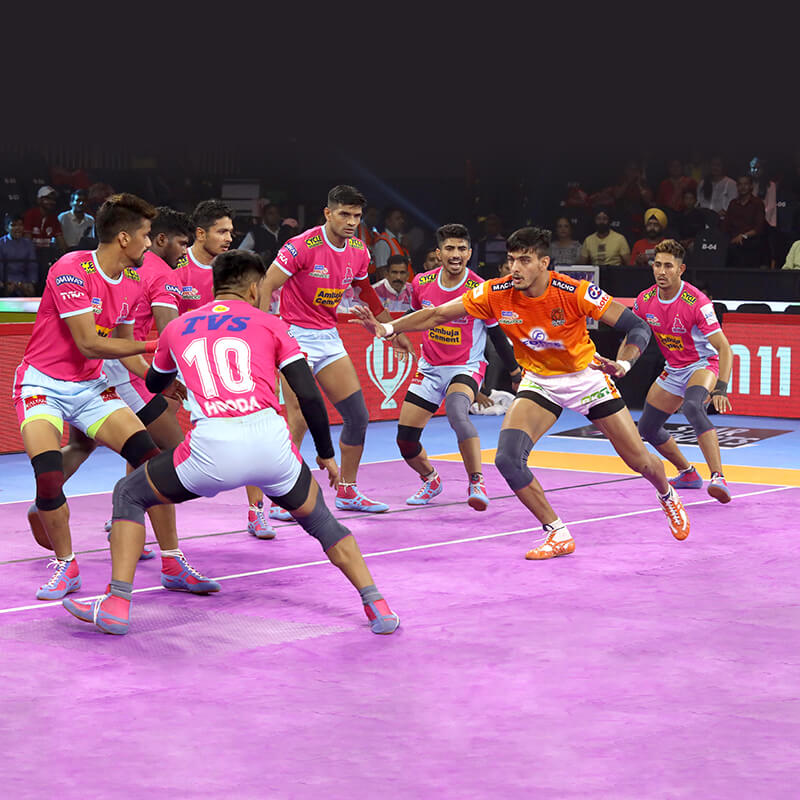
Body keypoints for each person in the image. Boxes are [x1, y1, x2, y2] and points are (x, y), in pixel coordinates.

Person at [62, 250, 399, 636]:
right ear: (254, 289)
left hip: (212, 450)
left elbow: (153, 383)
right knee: (323, 522)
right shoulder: (273, 324)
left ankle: (117, 603)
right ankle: (377, 604)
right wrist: (325, 453)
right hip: (271, 446)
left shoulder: (178, 327)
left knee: (129, 493)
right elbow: (309, 395)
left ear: (216, 285)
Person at [355, 227, 690, 559]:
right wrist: (387, 328)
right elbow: (438, 314)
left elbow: (637, 326)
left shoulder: (575, 291)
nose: (515, 268)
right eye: (512, 259)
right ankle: (557, 532)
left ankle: (666, 494)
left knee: (639, 460)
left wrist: (625, 363)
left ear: (544, 263)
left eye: (525, 260)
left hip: (585, 379)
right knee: (507, 459)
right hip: (540, 381)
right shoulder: (495, 292)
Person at [12, 194, 216, 599]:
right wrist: (158, 343)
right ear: (124, 238)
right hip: (42, 385)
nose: (148, 243)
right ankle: (66, 566)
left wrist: (159, 379)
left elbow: (125, 351)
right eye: (145, 235)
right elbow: (89, 343)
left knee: (151, 463)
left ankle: (173, 562)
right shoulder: (71, 269)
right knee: (49, 476)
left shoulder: (133, 283)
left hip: (91, 387)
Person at [260, 185, 414, 516]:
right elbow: (267, 284)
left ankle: (347, 490)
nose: (351, 222)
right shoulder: (301, 246)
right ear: (328, 213)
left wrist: (393, 330)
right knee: (298, 418)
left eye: (357, 216)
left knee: (358, 416)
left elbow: (366, 294)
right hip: (295, 337)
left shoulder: (359, 251)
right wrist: (261, 333)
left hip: (328, 337)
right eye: (344, 214)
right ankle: (284, 497)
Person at [355, 223, 520, 509]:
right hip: (430, 368)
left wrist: (515, 372)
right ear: (439, 253)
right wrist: (390, 332)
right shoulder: (422, 282)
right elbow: (414, 317)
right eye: (449, 248)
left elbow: (496, 335)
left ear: (469, 253)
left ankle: (476, 481)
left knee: (456, 411)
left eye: (461, 249)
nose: (455, 254)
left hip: (465, 367)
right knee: (406, 441)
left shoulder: (480, 289)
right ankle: (431, 479)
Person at [174, 200, 271, 537]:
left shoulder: (234, 269)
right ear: (201, 234)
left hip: (228, 367)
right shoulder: (177, 268)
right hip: (183, 365)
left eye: (231, 231)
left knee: (252, 433)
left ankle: (257, 512)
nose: (229, 238)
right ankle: (132, 510)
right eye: (222, 231)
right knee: (148, 435)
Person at [631, 240, 733, 502]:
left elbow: (724, 348)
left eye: (668, 266)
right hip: (674, 369)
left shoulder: (697, 302)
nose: (661, 271)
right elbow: (634, 332)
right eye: (657, 265)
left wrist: (721, 388)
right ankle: (687, 473)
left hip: (702, 364)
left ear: (681, 269)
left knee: (692, 407)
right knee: (647, 428)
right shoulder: (645, 300)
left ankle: (718, 477)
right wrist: (622, 362)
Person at [723, 175, 766, 268]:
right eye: (740, 184)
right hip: (733, 239)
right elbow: (726, 225)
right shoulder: (733, 203)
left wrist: (743, 236)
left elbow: (759, 227)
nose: (743, 187)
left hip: (750, 239)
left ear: (751, 186)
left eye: (746, 184)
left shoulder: (757, 203)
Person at [0, 215, 38, 295]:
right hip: (5, 280)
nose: (18, 228)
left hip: (24, 280)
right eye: (13, 225)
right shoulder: (1, 243)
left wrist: (31, 282)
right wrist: (5, 282)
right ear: (6, 228)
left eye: (20, 225)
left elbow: (32, 266)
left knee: (32, 290)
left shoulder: (28, 244)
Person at [373, 207, 411, 273]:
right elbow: (382, 271)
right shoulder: (383, 242)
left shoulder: (402, 240)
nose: (402, 221)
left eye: (402, 218)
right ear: (388, 222)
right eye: (398, 218)